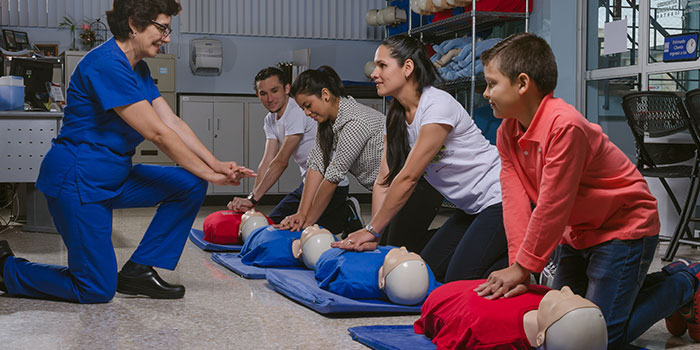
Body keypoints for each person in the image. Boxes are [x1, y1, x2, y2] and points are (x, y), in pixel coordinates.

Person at [0, 0, 254, 303]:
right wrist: (210, 174)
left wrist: (216, 164)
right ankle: (7, 269)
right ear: (134, 24)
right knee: (95, 289)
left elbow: (170, 120)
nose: (168, 38)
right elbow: (157, 133)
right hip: (79, 182)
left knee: (189, 185)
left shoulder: (139, 69)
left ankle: (138, 270)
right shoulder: (106, 63)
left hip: (113, 176)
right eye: (162, 28)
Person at [473, 32, 700, 348]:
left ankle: (687, 283)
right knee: (561, 323)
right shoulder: (507, 131)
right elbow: (515, 201)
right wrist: (518, 267)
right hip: (578, 232)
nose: (486, 93)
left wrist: (525, 266)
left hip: (623, 228)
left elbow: (553, 203)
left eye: (491, 83)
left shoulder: (565, 126)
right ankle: (670, 278)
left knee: (599, 336)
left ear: (522, 84)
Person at [335, 34, 508, 283]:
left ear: (408, 68)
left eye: (382, 65)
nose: (374, 73)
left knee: (459, 278)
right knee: (430, 271)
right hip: (470, 207)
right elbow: (383, 180)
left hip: (500, 198)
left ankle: (522, 262)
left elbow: (408, 177)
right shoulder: (395, 116)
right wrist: (375, 234)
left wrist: (373, 230)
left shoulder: (437, 105)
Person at [227, 67, 357, 231]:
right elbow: (268, 161)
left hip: (331, 186)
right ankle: (337, 215)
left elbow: (281, 161)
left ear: (287, 89)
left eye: (274, 91)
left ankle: (346, 212)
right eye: (263, 93)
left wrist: (252, 200)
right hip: (307, 184)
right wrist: (252, 203)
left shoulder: (296, 110)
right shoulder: (270, 120)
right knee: (273, 224)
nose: (270, 98)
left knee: (301, 229)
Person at [276, 66, 384, 235]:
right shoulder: (328, 123)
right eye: (303, 108)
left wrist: (308, 224)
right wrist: (302, 214)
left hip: (411, 191)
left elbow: (332, 178)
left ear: (325, 94)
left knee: (403, 249)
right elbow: (316, 165)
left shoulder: (354, 122)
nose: (306, 113)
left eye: (308, 105)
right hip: (387, 194)